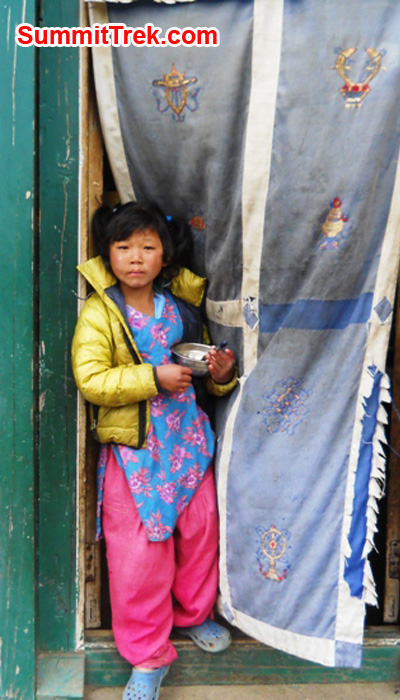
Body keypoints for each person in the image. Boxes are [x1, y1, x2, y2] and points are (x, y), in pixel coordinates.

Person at [71, 202, 237, 700]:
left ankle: (191, 616)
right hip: (135, 454)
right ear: (109, 254)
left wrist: (221, 373)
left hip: (188, 443)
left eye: (147, 246)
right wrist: (152, 378)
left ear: (165, 256)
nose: (136, 257)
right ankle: (147, 655)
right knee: (140, 556)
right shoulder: (101, 311)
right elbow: (91, 379)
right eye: (124, 247)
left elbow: (203, 373)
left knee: (201, 533)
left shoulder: (180, 308)